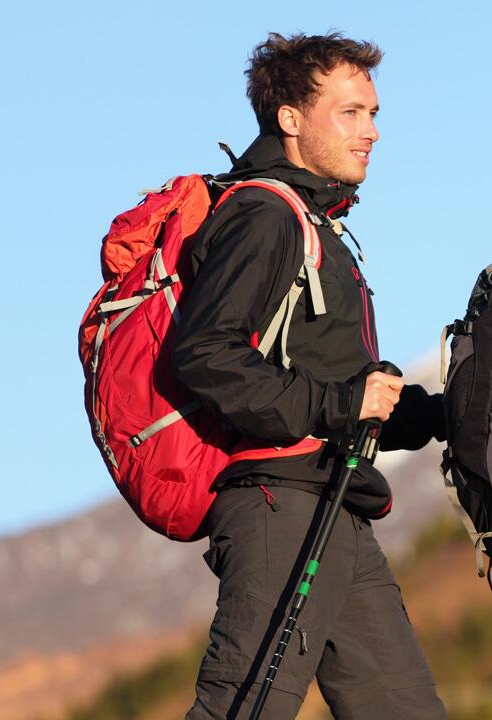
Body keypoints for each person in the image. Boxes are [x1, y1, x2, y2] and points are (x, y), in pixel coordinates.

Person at [172, 33, 447, 719]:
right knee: (242, 708)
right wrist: (340, 404)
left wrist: (444, 412)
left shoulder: (317, 225)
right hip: (279, 504)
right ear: (290, 118)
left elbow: (341, 393)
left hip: (336, 502)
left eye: (374, 114)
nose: (372, 132)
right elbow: (203, 354)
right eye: (351, 113)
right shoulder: (265, 215)